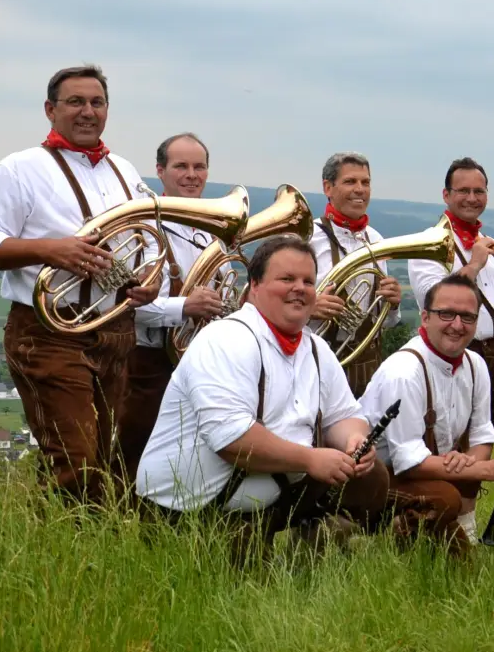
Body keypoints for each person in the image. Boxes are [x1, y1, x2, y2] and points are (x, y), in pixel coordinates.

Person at [0, 65, 160, 504]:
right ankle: (74, 555)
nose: (87, 111)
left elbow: (146, 240)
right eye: (75, 102)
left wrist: (149, 278)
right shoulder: (18, 169)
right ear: (51, 110)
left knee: (100, 460)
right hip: (48, 331)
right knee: (77, 463)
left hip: (115, 330)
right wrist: (50, 250)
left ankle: (60, 548)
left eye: (96, 102)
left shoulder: (124, 171)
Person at [135, 236, 387, 558]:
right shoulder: (227, 339)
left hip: (266, 495)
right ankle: (265, 554)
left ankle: (314, 548)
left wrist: (355, 441)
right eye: (286, 279)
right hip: (191, 514)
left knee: (370, 477)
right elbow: (233, 441)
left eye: (308, 281)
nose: (300, 288)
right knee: (248, 595)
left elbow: (344, 415)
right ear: (254, 285)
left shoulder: (315, 348)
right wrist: (312, 459)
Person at [358, 275, 494, 550]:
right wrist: (487, 469)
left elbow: (482, 433)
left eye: (468, 317)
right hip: (372, 481)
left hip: (421, 471)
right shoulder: (404, 372)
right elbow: (408, 462)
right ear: (425, 317)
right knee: (445, 496)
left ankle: (446, 535)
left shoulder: (475, 364)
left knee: (463, 479)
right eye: (446, 314)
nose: (457, 325)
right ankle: (388, 535)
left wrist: (468, 464)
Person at [121, 133, 225, 487]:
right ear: (160, 171)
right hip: (150, 366)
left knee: (198, 455)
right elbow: (125, 304)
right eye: (181, 166)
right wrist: (185, 306)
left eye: (199, 167)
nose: (192, 174)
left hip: (204, 364)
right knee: (139, 454)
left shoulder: (217, 231)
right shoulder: (145, 226)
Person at [408, 157, 494, 427]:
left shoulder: (491, 247)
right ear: (446, 195)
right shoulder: (426, 244)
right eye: (463, 191)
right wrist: (474, 265)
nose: (472, 198)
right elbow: (433, 298)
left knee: (487, 436)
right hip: (456, 356)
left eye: (479, 191)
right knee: (450, 437)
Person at [308, 152, 402, 396]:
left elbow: (388, 323)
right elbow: (275, 305)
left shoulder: (377, 241)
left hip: (368, 366)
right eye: (350, 182)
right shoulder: (308, 238)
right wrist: (310, 307)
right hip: (317, 364)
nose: (360, 189)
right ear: (328, 187)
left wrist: (392, 304)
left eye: (365, 182)